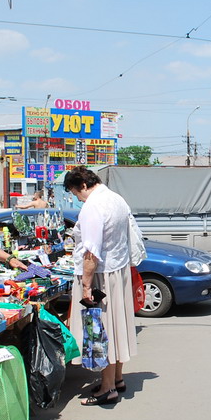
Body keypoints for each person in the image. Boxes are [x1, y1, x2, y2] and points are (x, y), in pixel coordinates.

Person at [65, 166, 139, 402]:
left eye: (77, 193)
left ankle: (107, 389)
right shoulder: (116, 199)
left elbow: (91, 252)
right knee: (116, 327)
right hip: (118, 271)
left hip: (100, 276)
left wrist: (86, 286)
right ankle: (117, 378)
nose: (78, 199)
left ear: (83, 185)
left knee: (101, 329)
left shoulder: (93, 206)